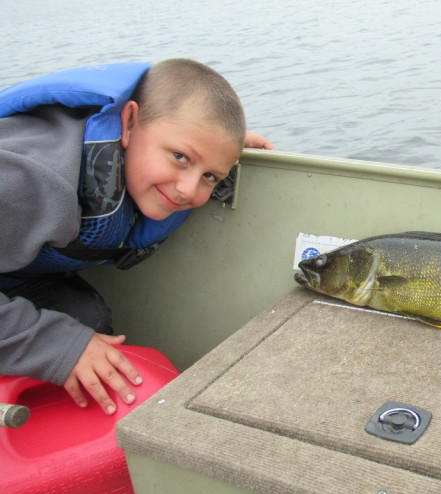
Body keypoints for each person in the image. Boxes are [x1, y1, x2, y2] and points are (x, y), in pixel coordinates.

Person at [0, 59, 273, 415]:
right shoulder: (29, 182)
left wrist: (210, 150)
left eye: (210, 177)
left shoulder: (154, 147)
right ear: (128, 123)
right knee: (67, 344)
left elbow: (191, 149)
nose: (188, 189)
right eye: (179, 157)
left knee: (88, 322)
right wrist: (54, 344)